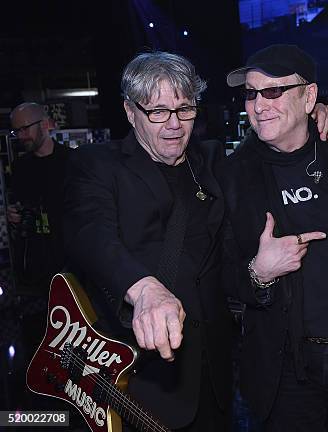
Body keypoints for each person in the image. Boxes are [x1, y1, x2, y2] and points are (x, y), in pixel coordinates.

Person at [63, 51, 233, 431]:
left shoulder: (211, 159)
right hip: (138, 379)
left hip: (214, 377)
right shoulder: (98, 165)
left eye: (184, 109)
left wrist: (316, 118)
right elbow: (89, 233)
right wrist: (142, 290)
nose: (173, 124)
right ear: (130, 111)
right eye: (157, 111)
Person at [222, 44, 328, 431]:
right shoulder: (232, 176)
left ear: (309, 96)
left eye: (273, 91)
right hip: (285, 369)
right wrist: (257, 272)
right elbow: (217, 274)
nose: (258, 105)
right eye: (250, 93)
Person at [9, 102, 68, 295]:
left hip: (71, 262)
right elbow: (18, 205)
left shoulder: (72, 161)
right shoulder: (20, 168)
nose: (21, 136)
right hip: (35, 265)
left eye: (25, 128)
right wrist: (14, 217)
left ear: (44, 124)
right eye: (17, 131)